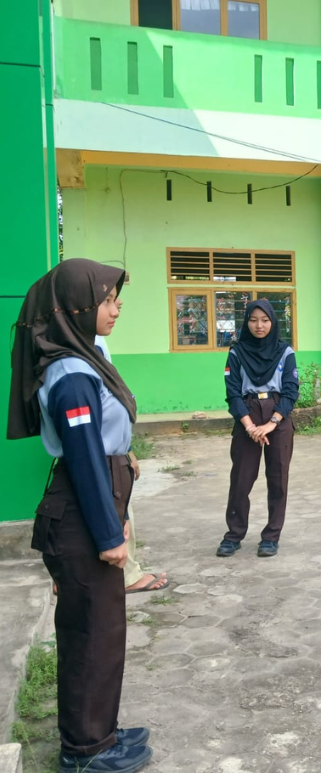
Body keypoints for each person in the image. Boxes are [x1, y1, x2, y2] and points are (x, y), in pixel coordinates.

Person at [7, 259, 153, 773]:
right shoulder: (70, 374)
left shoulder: (82, 359)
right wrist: (111, 535)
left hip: (93, 501)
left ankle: (100, 734)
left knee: (103, 628)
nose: (115, 310)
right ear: (77, 306)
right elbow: (86, 457)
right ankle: (84, 751)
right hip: (81, 510)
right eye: (109, 300)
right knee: (90, 632)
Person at [217, 299, 299, 558]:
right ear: (246, 322)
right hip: (247, 415)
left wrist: (271, 423)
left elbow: (291, 390)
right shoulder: (237, 352)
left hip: (278, 416)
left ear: (273, 322)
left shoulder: (285, 352)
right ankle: (233, 535)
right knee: (241, 479)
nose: (259, 325)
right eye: (253, 320)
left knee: (278, 479)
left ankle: (271, 537)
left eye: (265, 320)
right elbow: (232, 393)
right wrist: (251, 426)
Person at [94, 333, 169, 594]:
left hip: (113, 451)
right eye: (107, 301)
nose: (116, 307)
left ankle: (122, 573)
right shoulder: (78, 354)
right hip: (101, 455)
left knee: (120, 512)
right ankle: (124, 576)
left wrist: (126, 448)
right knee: (116, 515)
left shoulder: (91, 341)